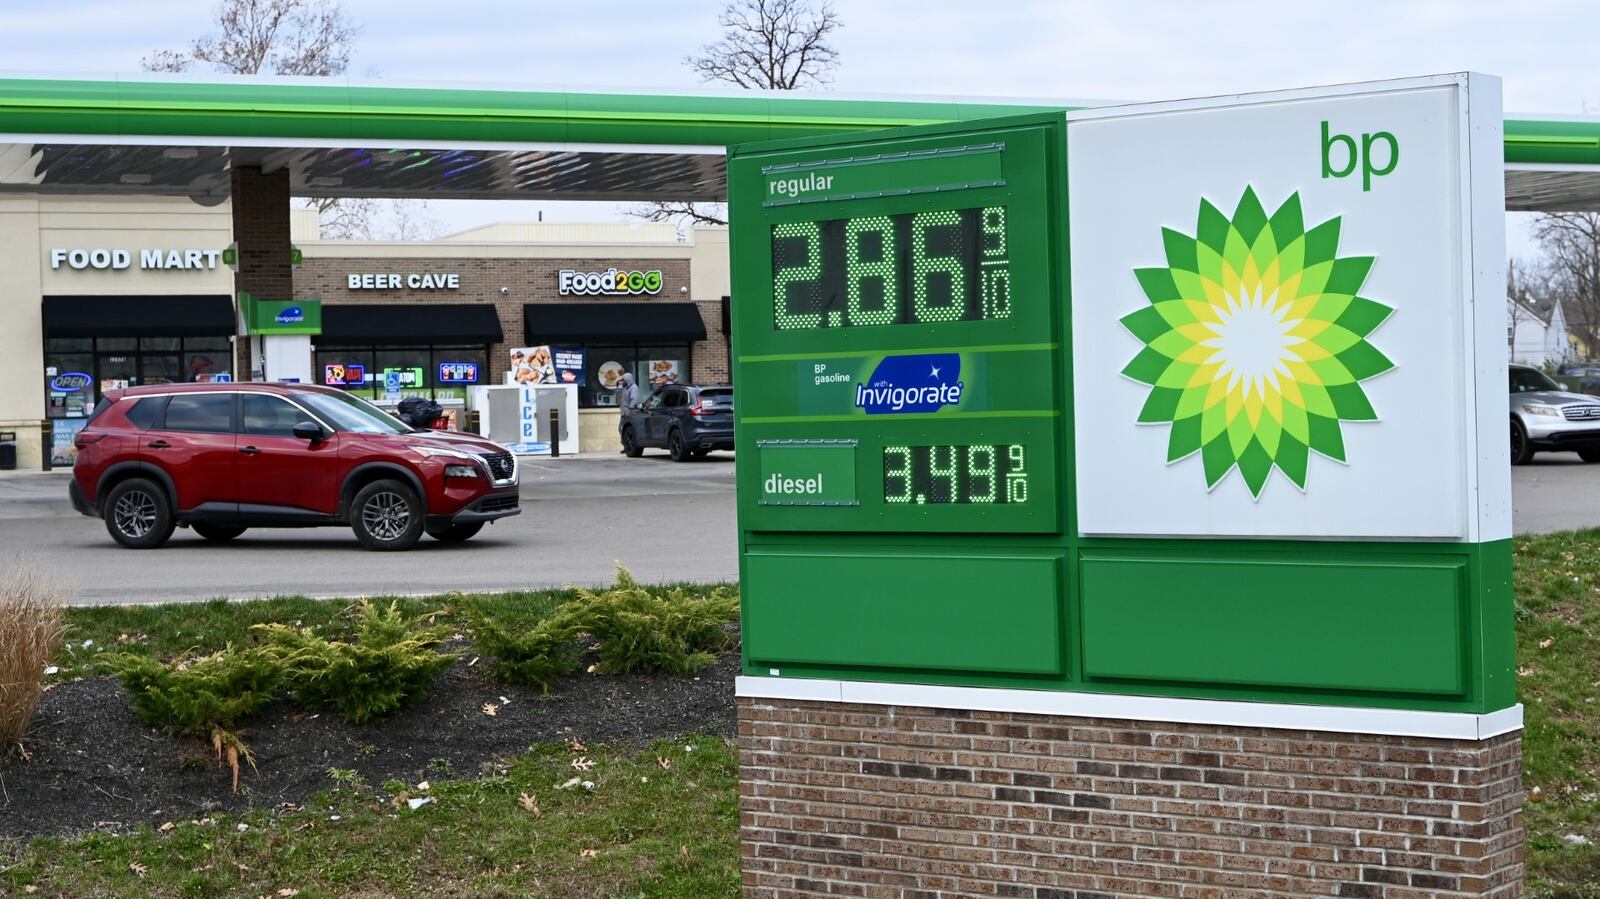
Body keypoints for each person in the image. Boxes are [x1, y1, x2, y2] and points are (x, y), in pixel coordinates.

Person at [616, 371, 640, 454]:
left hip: (630, 413)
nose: (622, 382)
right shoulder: (625, 388)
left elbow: (634, 400)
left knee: (627, 430)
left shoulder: (633, 388)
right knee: (621, 429)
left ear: (628, 380)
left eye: (623, 381)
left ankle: (629, 446)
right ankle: (626, 445)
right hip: (624, 413)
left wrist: (630, 409)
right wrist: (618, 387)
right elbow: (619, 397)